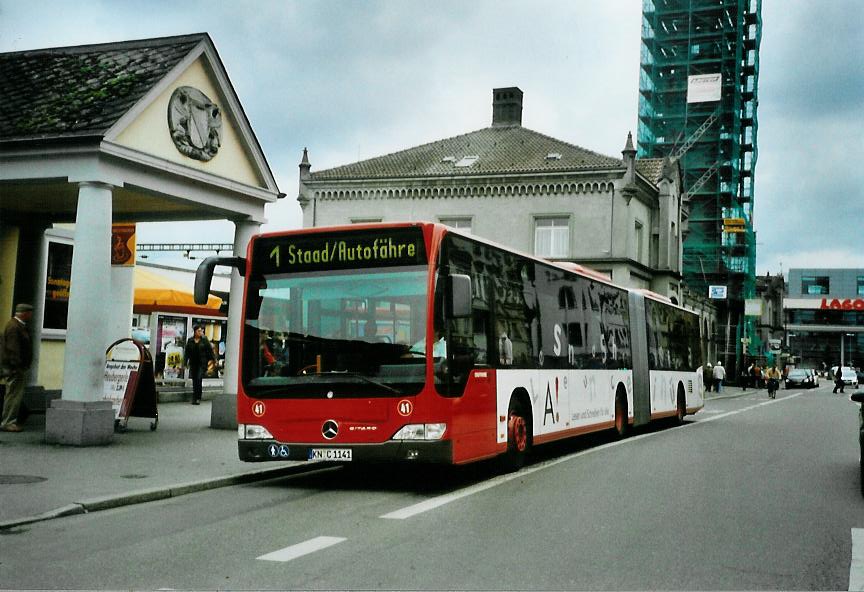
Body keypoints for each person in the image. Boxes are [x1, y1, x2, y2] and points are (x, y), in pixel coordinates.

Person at [1, 304, 34, 432]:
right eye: (30, 313)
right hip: (15, 368)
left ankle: (9, 420)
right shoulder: (14, 327)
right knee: (13, 395)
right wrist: (17, 366)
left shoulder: (18, 326)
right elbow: (13, 348)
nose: (31, 315)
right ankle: (8, 422)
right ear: (24, 313)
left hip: (17, 367)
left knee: (14, 394)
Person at [184, 325, 217, 405]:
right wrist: (185, 362)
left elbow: (210, 350)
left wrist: (214, 360)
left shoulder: (204, 340)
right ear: (195, 332)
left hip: (202, 363)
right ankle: (195, 397)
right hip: (193, 363)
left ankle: (198, 397)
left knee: (199, 379)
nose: (200, 332)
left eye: (201, 331)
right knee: (195, 380)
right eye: (199, 331)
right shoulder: (190, 340)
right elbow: (187, 352)